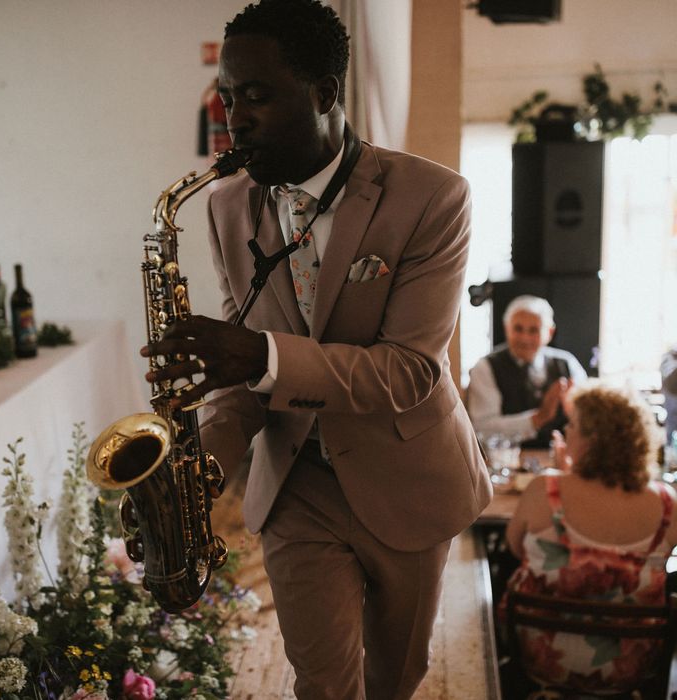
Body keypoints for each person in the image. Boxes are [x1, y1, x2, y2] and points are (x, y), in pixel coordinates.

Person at [141, 1, 492, 697]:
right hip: (297, 486)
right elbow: (239, 372)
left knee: (395, 677)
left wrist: (261, 357)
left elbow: (410, 370)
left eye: (258, 96)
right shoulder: (223, 207)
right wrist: (184, 482)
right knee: (323, 684)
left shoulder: (433, 197)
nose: (235, 118)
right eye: (229, 96)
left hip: (407, 476)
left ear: (327, 92)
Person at [502, 384, 677, 695]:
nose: (565, 431)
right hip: (629, 666)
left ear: (592, 440)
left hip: (542, 659)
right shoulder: (667, 504)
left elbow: (516, 549)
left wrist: (563, 473)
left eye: (573, 425)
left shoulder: (546, 491)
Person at [467, 295, 587, 448]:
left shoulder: (567, 364)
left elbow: (588, 422)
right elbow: (482, 429)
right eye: (518, 329)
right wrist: (539, 417)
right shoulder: (485, 367)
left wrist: (572, 410)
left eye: (533, 330)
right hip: (507, 459)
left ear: (549, 333)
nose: (525, 338)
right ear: (506, 328)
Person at [662, 345, 677, 445]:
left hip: (670, 393)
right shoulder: (668, 361)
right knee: (671, 421)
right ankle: (669, 445)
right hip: (671, 393)